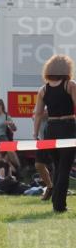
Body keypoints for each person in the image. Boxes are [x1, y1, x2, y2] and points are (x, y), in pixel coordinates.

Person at [31, 54, 76, 214]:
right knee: (64, 167)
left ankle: (56, 201)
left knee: (58, 167)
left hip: (50, 129)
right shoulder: (70, 85)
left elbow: (38, 114)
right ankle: (59, 205)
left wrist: (35, 133)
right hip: (68, 127)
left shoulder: (43, 89)